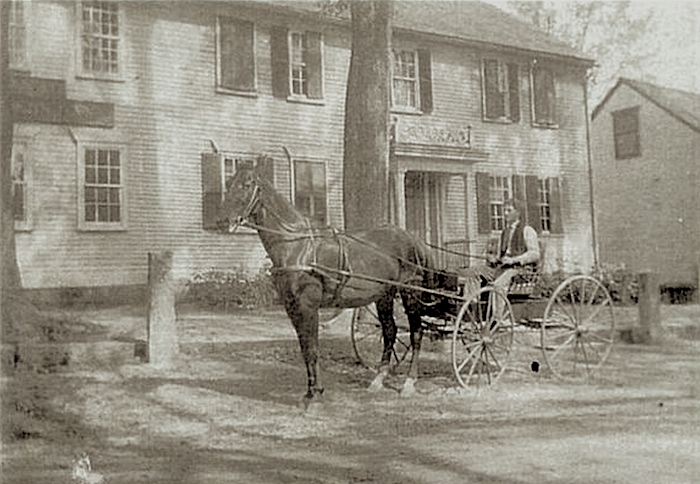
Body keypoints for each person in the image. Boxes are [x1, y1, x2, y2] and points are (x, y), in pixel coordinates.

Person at [486, 198, 540, 297]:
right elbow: (500, 256)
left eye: (509, 210)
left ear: (518, 212)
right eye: (504, 211)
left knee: (497, 286)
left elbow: (534, 254)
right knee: (474, 274)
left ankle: (497, 313)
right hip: (503, 268)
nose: (505, 213)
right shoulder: (504, 232)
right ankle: (472, 308)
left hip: (521, 270)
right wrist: (494, 259)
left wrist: (513, 260)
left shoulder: (527, 230)